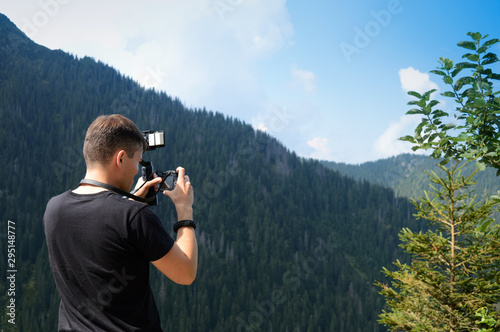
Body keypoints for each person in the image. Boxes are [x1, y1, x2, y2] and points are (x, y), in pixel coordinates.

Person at [43, 114, 198, 331]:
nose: (138, 171)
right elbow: (186, 273)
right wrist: (185, 209)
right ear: (121, 158)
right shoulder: (135, 216)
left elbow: (99, 222)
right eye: (138, 161)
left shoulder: (54, 208)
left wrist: (128, 201)